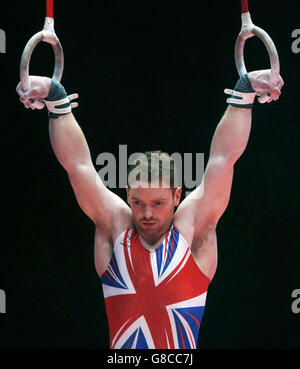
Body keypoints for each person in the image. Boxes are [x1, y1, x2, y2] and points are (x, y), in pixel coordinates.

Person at [16, 69, 284, 349]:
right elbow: (77, 165)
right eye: (138, 203)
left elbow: (224, 158)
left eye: (158, 203)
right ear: (128, 194)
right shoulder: (116, 226)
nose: (147, 214)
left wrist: (245, 89)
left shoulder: (192, 228)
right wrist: (54, 96)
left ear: (177, 196)